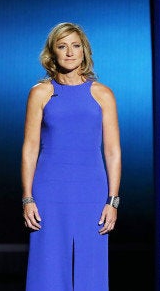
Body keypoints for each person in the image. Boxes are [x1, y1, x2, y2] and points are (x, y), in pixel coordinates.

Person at [21, 22, 121, 290]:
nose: (69, 52)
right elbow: (30, 148)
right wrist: (28, 198)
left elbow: (112, 151)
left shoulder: (102, 94)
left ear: (84, 50)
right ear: (52, 52)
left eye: (75, 46)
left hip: (91, 191)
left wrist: (113, 201)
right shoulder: (40, 93)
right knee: (48, 267)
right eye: (62, 46)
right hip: (49, 192)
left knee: (91, 266)